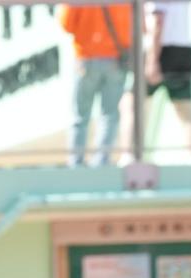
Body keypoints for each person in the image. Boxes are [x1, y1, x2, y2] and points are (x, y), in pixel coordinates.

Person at [58, 3, 133, 166]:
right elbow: (137, 25)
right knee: (109, 114)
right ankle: (101, 161)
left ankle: (76, 163)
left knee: (80, 115)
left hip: (86, 58)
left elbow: (66, 24)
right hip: (115, 60)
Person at [145, 0, 191, 161]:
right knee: (185, 110)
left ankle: (130, 156)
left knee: (132, 106)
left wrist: (152, 60)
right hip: (183, 50)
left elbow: (158, 21)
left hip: (161, 50)